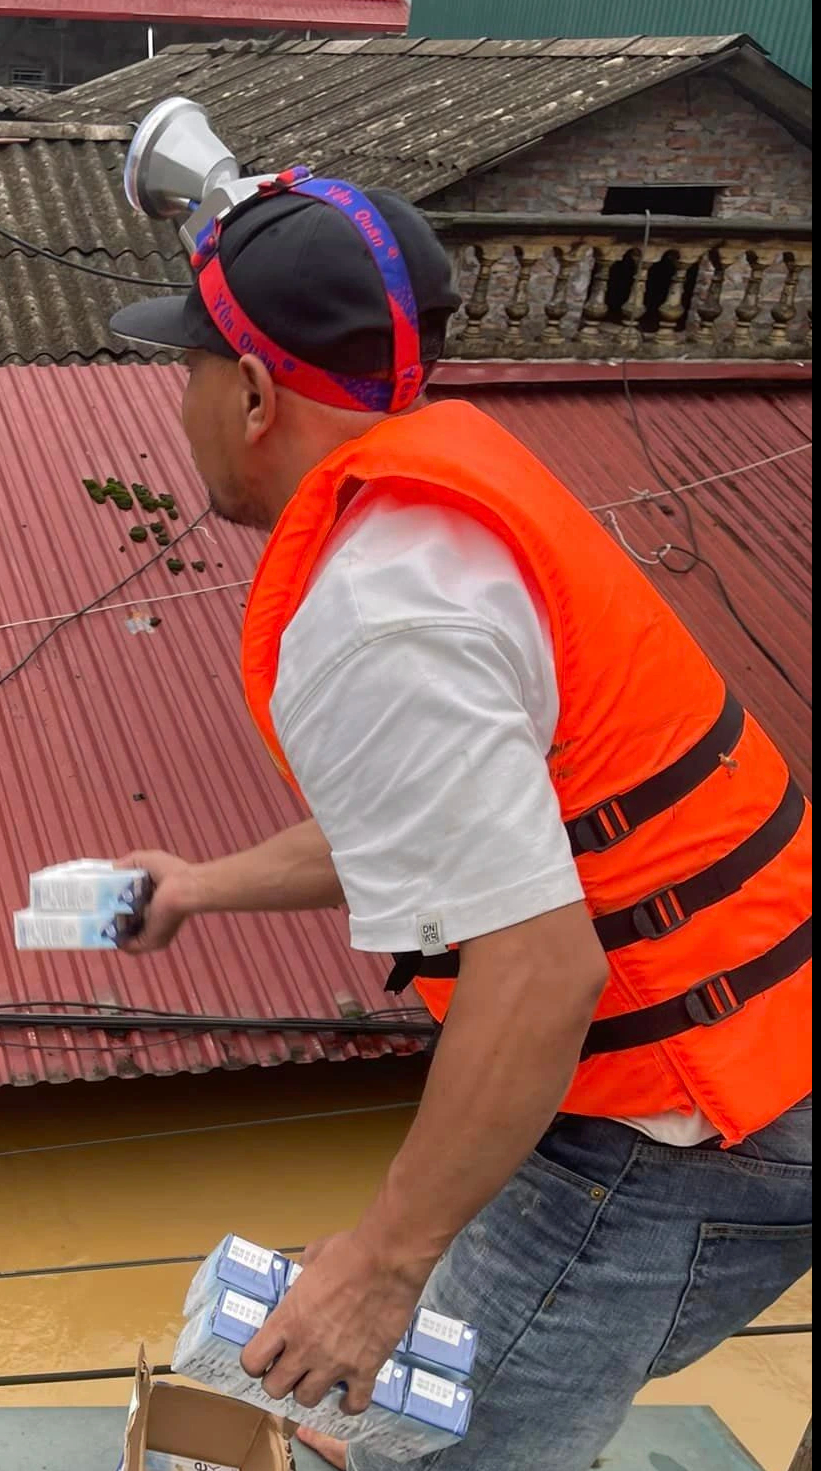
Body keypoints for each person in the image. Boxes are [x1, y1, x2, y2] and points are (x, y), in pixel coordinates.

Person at [105, 170, 812, 1469]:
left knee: (430, 1450)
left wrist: (380, 1264)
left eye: (191, 369)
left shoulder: (379, 607)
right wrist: (202, 882)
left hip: (688, 1115)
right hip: (762, 1025)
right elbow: (469, 827)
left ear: (255, 397)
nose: (181, 401)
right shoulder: (447, 503)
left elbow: (540, 972)